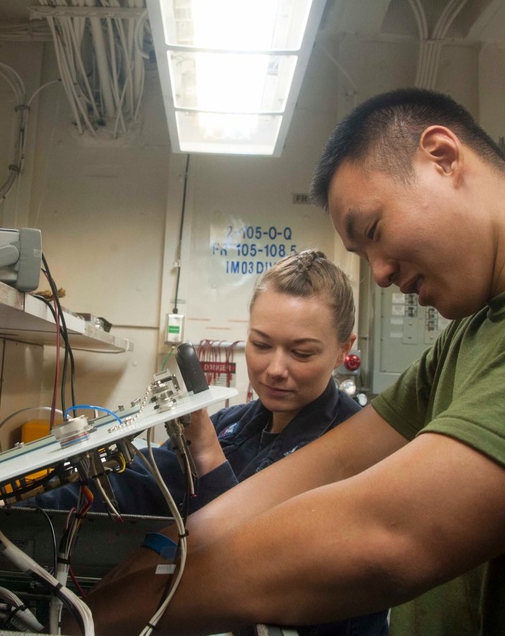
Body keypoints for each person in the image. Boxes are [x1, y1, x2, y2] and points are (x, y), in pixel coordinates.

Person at [80, 87, 505, 636]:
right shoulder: (467, 338)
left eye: (374, 230)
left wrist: (110, 618)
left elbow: (389, 534)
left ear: (441, 156)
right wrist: (150, 560)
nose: (382, 275)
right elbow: (317, 471)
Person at [28, 249, 389, 634]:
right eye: (262, 344)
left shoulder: (359, 446)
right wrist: (25, 497)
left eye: (301, 352)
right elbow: (145, 478)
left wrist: (208, 455)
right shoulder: (237, 424)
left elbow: (259, 562)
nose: (275, 369)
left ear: (342, 349)